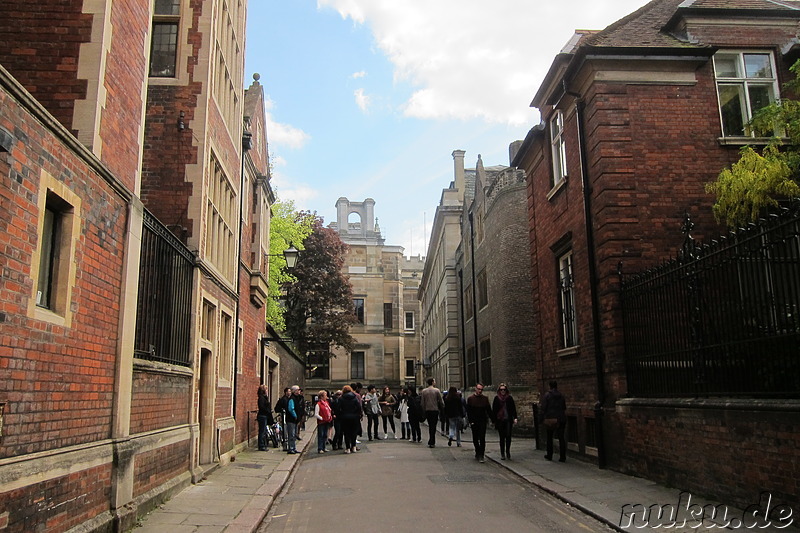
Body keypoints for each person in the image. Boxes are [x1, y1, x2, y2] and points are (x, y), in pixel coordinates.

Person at [466, 382, 493, 462]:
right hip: (474, 421)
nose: (480, 391)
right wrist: (471, 421)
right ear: (475, 389)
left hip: (482, 421)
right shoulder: (470, 399)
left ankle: (481, 454)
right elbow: (469, 411)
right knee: (475, 438)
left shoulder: (485, 399)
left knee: (482, 438)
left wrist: (493, 419)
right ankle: (477, 451)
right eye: (479, 389)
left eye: (481, 389)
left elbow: (488, 410)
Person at [541, 380, 567, 462]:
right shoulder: (561, 395)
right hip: (561, 418)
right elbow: (564, 407)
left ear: (550, 386)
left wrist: (543, 417)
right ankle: (562, 457)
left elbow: (544, 407)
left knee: (549, 437)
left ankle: (549, 455)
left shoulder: (547, 395)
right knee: (561, 438)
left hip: (551, 419)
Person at [492, 383, 518, 460]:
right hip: (500, 420)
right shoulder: (496, 399)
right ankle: (502, 453)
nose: (503, 391)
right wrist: (494, 420)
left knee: (508, 436)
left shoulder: (509, 398)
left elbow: (513, 409)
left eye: (504, 389)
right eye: (501, 390)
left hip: (508, 419)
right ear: (499, 391)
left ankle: (508, 451)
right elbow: (494, 410)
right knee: (502, 437)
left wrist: (515, 417)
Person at [420, 378, 445, 448]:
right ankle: (432, 441)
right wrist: (442, 407)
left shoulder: (424, 391)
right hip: (435, 410)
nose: (435, 382)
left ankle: (431, 440)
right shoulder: (436, 390)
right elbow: (441, 401)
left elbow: (422, 403)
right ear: (432, 382)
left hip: (427, 410)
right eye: (434, 381)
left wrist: (424, 410)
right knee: (433, 426)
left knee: (430, 425)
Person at [338, 385, 362, 453]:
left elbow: (338, 408)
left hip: (345, 417)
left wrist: (340, 415)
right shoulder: (354, 397)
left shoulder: (341, 398)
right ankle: (353, 447)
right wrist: (358, 414)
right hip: (354, 417)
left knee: (346, 433)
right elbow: (358, 407)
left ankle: (348, 448)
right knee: (354, 432)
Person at [257, 385, 274, 451]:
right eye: (266, 389)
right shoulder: (261, 398)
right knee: (262, 431)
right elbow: (262, 407)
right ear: (263, 391)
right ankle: (261, 445)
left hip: (265, 416)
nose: (267, 391)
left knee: (264, 431)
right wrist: (267, 411)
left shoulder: (264, 397)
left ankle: (263, 444)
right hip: (262, 416)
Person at [284, 385, 301, 454]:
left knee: (293, 435)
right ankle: (291, 448)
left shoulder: (296, 398)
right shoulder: (292, 399)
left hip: (294, 419)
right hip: (291, 419)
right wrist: (295, 415)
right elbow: (291, 408)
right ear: (294, 391)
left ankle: (293, 447)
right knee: (291, 434)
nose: (299, 391)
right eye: (297, 390)